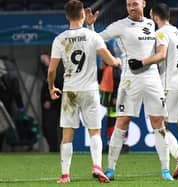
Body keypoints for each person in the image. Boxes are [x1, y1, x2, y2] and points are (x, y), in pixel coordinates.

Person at [85, 0, 173, 181]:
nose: (131, 7)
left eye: (135, 4)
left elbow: (160, 49)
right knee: (122, 122)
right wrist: (91, 26)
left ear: (143, 4)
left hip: (152, 78)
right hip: (129, 80)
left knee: (158, 122)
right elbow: (96, 42)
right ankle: (110, 169)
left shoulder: (151, 24)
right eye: (128, 4)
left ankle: (165, 170)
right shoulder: (119, 26)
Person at [48, 0, 120, 184]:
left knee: (67, 135)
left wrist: (51, 87)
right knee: (94, 131)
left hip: (70, 91)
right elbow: (110, 61)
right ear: (82, 15)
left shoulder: (60, 39)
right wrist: (118, 61)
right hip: (89, 90)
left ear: (66, 16)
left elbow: (51, 70)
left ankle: (65, 175)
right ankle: (97, 166)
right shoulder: (92, 36)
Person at [128, 3, 178, 180]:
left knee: (158, 124)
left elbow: (162, 54)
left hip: (170, 85)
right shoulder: (176, 31)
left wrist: (141, 62)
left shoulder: (161, 33)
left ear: (155, 16)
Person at [40, 53, 63, 152]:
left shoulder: (55, 73)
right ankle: (52, 148)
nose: (43, 62)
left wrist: (51, 101)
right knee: (47, 129)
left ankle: (55, 149)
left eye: (44, 59)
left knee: (52, 128)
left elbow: (58, 89)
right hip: (48, 107)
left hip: (54, 107)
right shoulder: (45, 72)